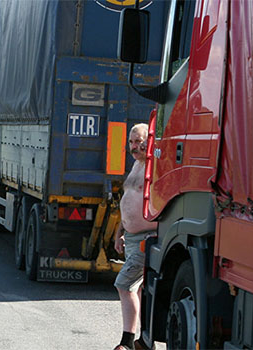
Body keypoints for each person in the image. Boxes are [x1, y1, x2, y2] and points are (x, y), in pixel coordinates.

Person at [113, 123, 157, 350]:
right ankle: (144, 342)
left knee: (124, 284)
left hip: (146, 237)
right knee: (137, 289)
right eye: (131, 142)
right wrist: (120, 232)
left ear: (150, 140)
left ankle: (127, 343)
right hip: (130, 237)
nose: (134, 146)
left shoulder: (155, 166)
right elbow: (129, 200)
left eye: (138, 141)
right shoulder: (136, 165)